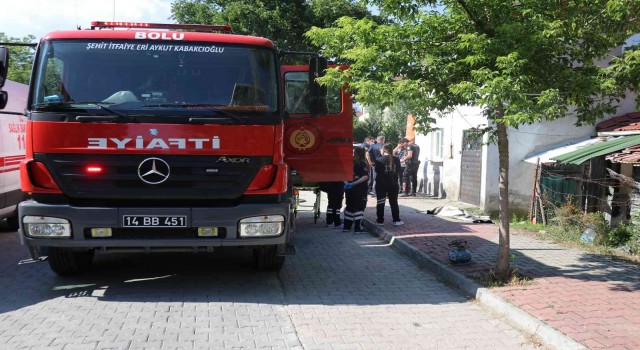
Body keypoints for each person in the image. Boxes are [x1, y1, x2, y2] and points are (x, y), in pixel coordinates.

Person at [374, 143, 404, 226]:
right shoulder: (396, 159)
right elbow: (398, 170)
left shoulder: (379, 160)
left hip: (381, 184)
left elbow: (377, 172)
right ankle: (396, 220)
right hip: (393, 183)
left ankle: (380, 220)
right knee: (394, 202)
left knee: (380, 202)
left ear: (383, 150)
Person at [343, 146, 369, 233]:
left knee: (350, 206)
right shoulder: (362, 164)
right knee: (359, 207)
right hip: (359, 189)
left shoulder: (349, 162)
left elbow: (343, 174)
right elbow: (364, 177)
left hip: (349, 189)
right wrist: (353, 183)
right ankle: (358, 228)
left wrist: (346, 183)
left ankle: (347, 227)